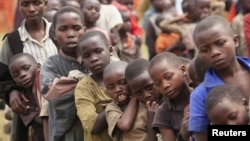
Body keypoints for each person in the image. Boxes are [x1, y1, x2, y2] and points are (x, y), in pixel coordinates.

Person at [0, 0, 58, 141]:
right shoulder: (13, 41)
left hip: (63, 106)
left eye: (36, 3)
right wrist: (11, 91)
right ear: (19, 7)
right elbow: (2, 77)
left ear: (45, 3)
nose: (31, 9)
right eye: (25, 4)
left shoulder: (58, 32)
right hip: (32, 114)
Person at [188, 15, 250, 141]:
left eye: (220, 43)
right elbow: (202, 137)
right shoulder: (200, 95)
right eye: (205, 50)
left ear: (235, 41)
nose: (214, 52)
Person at [40, 6, 87, 141]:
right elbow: (52, 92)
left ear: (85, 30)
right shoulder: (51, 64)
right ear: (54, 33)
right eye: (63, 29)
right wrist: (89, 82)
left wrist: (68, 83)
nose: (71, 34)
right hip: (66, 134)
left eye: (76, 28)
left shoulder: (95, 58)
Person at [75, 30, 114, 141]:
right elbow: (92, 125)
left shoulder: (124, 76)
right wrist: (115, 106)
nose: (94, 59)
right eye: (87, 56)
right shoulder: (84, 87)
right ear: (82, 59)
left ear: (110, 50)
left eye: (98, 51)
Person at [148, 52, 191, 141]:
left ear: (183, 70)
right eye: (158, 83)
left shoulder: (203, 96)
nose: (164, 86)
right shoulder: (163, 113)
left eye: (168, 77)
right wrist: (183, 134)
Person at [125, 58, 162, 141]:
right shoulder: (139, 116)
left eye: (149, 87)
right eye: (138, 93)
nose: (146, 95)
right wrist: (151, 120)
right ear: (133, 94)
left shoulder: (169, 99)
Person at [9, 53, 44, 141]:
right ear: (15, 81)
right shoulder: (22, 100)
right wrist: (36, 95)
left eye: (26, 68)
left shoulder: (53, 83)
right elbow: (44, 122)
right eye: (16, 75)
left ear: (39, 67)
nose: (22, 75)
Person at [104, 61, 142, 141]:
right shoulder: (111, 108)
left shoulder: (143, 99)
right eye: (111, 87)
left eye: (123, 82)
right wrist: (134, 97)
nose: (118, 89)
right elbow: (125, 125)